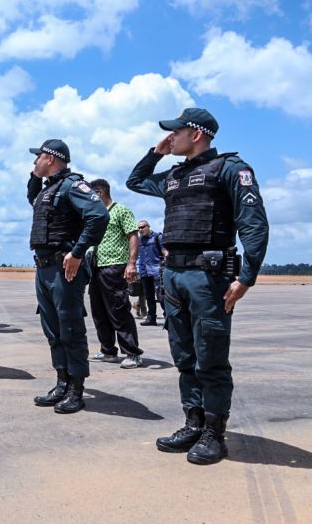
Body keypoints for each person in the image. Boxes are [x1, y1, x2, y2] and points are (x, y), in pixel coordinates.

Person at [127, 107, 269, 465]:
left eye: (176, 132)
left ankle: (214, 434)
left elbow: (253, 224)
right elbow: (135, 181)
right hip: (173, 276)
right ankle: (193, 423)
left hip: (209, 279)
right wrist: (156, 153)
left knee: (211, 359)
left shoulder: (230, 169)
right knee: (185, 357)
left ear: (196, 134)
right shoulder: (174, 176)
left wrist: (246, 278)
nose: (170, 137)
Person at [27, 139, 109, 414]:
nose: (34, 161)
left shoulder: (73, 185)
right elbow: (34, 202)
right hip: (44, 268)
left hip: (64, 269)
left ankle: (76, 389)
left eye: (38, 157)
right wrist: (34, 175)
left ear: (50, 158)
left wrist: (77, 252)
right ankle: (62, 382)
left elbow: (99, 216)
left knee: (70, 328)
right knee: (52, 329)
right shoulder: (48, 190)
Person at [87, 178, 144, 369]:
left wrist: (131, 263)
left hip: (115, 267)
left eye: (91, 195)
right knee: (99, 312)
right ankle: (108, 350)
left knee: (118, 311)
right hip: (96, 267)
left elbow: (133, 236)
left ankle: (132, 353)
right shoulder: (95, 214)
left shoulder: (120, 210)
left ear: (100, 193)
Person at [136, 220, 165, 326]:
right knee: (149, 296)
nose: (140, 229)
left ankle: (168, 317)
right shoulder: (139, 240)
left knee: (161, 296)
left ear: (148, 226)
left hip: (157, 270)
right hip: (144, 271)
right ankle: (151, 318)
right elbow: (138, 256)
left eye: (143, 227)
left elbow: (165, 252)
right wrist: (137, 270)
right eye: (139, 228)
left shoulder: (157, 237)